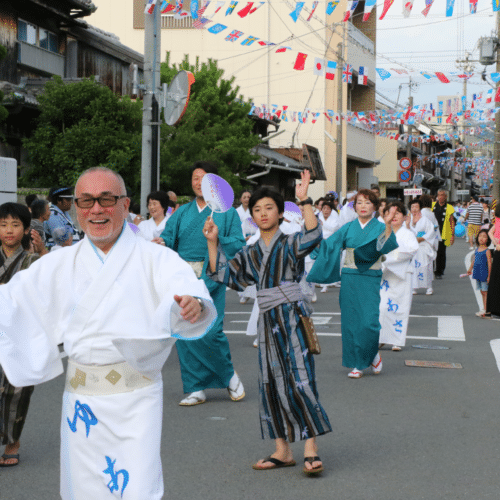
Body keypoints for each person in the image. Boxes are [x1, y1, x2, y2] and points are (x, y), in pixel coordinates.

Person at [0, 167, 217, 498]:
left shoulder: (156, 258)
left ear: (125, 203)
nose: (96, 209)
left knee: (138, 486)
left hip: (137, 396)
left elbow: (187, 290)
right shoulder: (59, 263)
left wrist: (193, 306)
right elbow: (12, 300)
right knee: (84, 488)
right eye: (86, 200)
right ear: (75, 206)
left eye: (107, 199)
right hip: (82, 399)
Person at [205, 170, 331, 476]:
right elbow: (226, 275)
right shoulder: (249, 252)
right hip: (267, 322)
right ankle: (282, 450)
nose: (263, 214)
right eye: (257, 210)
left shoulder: (290, 243)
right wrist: (212, 242)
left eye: (269, 208)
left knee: (300, 379)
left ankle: (310, 449)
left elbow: (314, 236)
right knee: (270, 382)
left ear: (280, 214)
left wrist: (304, 200)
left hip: (292, 319)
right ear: (253, 215)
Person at [161, 161, 246, 406]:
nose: (199, 183)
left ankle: (229, 375)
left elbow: (238, 243)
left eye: (205, 178)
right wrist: (161, 243)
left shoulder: (227, 212)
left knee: (211, 331)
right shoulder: (182, 213)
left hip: (212, 273)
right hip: (184, 277)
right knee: (186, 328)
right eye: (195, 178)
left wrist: (218, 237)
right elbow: (169, 237)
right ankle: (195, 387)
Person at [308, 189, 398, 379]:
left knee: (369, 322)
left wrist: (388, 225)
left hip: (370, 277)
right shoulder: (348, 227)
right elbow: (329, 245)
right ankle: (357, 363)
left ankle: (372, 352)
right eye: (359, 202)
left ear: (374, 206)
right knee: (351, 322)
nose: (363, 206)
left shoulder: (380, 227)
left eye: (367, 202)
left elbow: (386, 246)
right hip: (349, 276)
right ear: (354, 206)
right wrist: (310, 241)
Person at [0, 203, 43, 467]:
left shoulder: (32, 260)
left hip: (20, 334)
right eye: (3, 224)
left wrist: (43, 251)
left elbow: (46, 288)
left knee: (17, 390)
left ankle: (12, 442)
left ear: (26, 229)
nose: (9, 230)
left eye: (16, 225)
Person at [379, 202, 419, 351]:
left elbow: (411, 250)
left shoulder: (408, 234)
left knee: (399, 308)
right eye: (390, 213)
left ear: (404, 217)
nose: (393, 216)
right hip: (384, 275)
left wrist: (390, 257)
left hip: (401, 276)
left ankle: (397, 340)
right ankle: (381, 337)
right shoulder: (382, 232)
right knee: (382, 307)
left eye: (397, 213)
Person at [407, 199, 436, 296]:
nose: (414, 209)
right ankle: (414, 287)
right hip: (412, 247)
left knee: (426, 266)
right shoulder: (408, 219)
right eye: (412, 207)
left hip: (423, 246)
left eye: (416, 206)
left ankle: (429, 287)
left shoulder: (425, 219)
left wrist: (422, 238)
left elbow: (431, 231)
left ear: (420, 208)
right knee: (413, 267)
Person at [467, 229, 492, 318]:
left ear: (488, 240)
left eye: (484, 237)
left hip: (484, 274)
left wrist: (489, 276)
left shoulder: (487, 251)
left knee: (485, 292)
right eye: (480, 236)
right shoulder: (477, 249)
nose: (481, 238)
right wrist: (470, 269)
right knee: (482, 291)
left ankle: (486, 309)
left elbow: (489, 263)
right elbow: (474, 260)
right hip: (478, 274)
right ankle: (484, 309)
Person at [432, 189, 455, 279]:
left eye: (443, 195)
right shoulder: (432, 206)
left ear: (445, 197)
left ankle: (439, 272)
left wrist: (452, 235)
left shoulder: (449, 207)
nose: (441, 197)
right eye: (439, 195)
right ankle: (431, 270)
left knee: (441, 253)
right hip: (432, 234)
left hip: (444, 234)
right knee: (431, 253)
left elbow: (452, 222)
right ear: (437, 196)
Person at [487, 202, 500, 317]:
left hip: (498, 252)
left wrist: (495, 242)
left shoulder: (498, 220)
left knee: (496, 281)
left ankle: (493, 308)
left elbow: (490, 232)